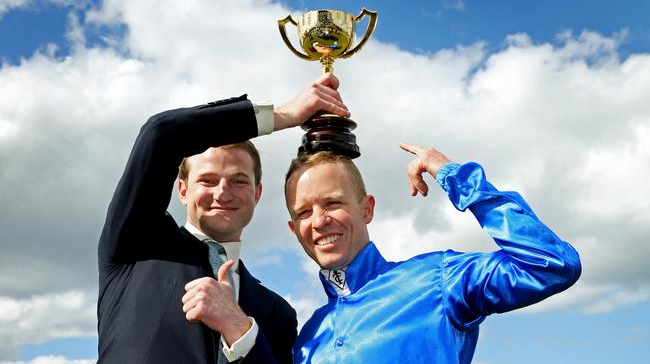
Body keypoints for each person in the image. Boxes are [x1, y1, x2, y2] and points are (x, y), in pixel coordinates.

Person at [97, 74, 350, 364]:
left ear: (257, 194)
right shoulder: (137, 242)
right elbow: (161, 133)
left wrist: (240, 331)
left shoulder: (277, 312)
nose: (223, 193)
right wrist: (284, 116)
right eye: (207, 180)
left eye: (239, 181)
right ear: (182, 190)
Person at [283, 144, 582, 363]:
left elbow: (552, 264)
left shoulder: (437, 279)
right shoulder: (308, 337)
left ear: (367, 209)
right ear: (295, 229)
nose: (320, 221)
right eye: (305, 212)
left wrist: (456, 177)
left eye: (333, 203)